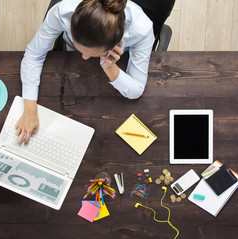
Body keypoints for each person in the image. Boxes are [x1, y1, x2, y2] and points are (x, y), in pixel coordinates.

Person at [16, 0, 154, 145]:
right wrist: (30, 109)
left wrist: (110, 67)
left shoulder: (142, 30)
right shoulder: (63, 12)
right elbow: (33, 55)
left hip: (113, 61)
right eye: (82, 50)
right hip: (70, 59)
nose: (85, 58)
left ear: (118, 42)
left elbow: (136, 90)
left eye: (91, 54)